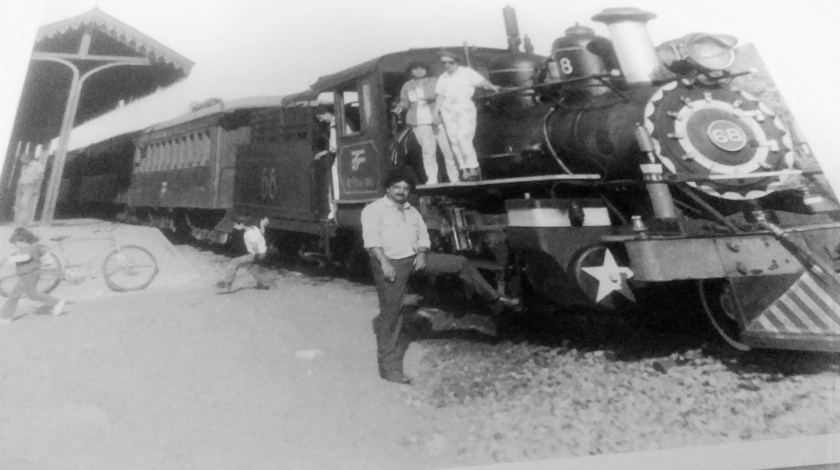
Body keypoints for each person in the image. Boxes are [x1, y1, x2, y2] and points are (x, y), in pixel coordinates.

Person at [361, 168, 520, 384]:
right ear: (388, 188)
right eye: (397, 187)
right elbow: (372, 242)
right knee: (391, 316)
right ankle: (389, 369)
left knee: (460, 264)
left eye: (405, 188)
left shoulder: (411, 211)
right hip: (389, 264)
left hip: (415, 259)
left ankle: (494, 298)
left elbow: (424, 237)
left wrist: (424, 253)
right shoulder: (373, 210)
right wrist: (385, 264)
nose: (401, 191)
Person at [433, 51, 501, 182]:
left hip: (464, 106)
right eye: (444, 63)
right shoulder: (443, 77)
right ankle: (464, 169)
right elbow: (440, 95)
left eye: (450, 62)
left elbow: (481, 81)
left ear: (456, 61)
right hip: (447, 108)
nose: (447, 65)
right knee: (454, 139)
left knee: (463, 136)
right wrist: (436, 112)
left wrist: (491, 86)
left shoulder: (467, 72)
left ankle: (473, 167)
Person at [392, 61, 458, 184]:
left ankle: (454, 177)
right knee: (428, 151)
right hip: (419, 121)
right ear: (411, 71)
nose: (418, 71)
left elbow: (440, 94)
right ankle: (432, 178)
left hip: (437, 119)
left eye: (421, 68)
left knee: (447, 149)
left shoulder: (434, 80)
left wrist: (424, 96)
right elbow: (405, 101)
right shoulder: (407, 85)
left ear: (426, 69)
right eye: (415, 69)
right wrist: (400, 106)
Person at [0, 227, 66, 323]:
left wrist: (11, 259)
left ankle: (57, 302)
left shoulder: (31, 248)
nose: (16, 246)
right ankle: (5, 316)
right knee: (17, 295)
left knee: (31, 295)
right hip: (25, 275)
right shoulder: (30, 247)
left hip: (30, 275)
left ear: (24, 241)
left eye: (17, 243)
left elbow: (25, 257)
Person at [218, 215, 271, 292]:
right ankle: (261, 283)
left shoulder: (248, 233)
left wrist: (256, 255)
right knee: (252, 267)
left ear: (242, 225)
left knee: (234, 262)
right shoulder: (254, 228)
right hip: (262, 252)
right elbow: (262, 233)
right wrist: (263, 226)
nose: (235, 226)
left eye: (236, 225)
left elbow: (254, 243)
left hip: (257, 254)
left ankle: (227, 286)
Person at [14, 152, 46, 226]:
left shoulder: (37, 165)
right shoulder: (24, 166)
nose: (21, 161)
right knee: (19, 204)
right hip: (21, 185)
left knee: (26, 204)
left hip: (30, 185)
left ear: (27, 158)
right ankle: (18, 222)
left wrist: (37, 188)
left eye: (21, 159)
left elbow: (41, 177)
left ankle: (26, 222)